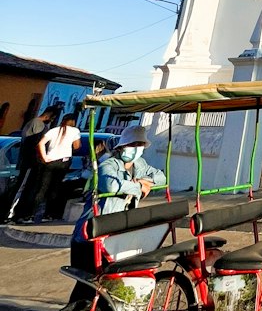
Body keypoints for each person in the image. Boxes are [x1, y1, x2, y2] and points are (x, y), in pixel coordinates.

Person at [70, 126, 166, 272]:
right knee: (88, 282)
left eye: (139, 145)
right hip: (92, 232)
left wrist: (144, 181)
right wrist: (139, 186)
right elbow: (111, 185)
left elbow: (161, 177)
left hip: (117, 234)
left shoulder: (140, 165)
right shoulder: (108, 164)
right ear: (122, 146)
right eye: (131, 145)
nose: (135, 149)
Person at [18, 114, 81, 223]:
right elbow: (76, 146)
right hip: (63, 161)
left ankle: (30, 215)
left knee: (42, 188)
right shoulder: (75, 131)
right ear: (73, 121)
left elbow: (41, 144)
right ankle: (48, 214)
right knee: (55, 188)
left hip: (50, 160)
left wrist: (45, 157)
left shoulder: (54, 130)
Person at [6, 107, 55, 221]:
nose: (51, 121)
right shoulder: (37, 124)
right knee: (22, 188)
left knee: (24, 188)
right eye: (52, 118)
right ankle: (11, 214)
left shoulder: (35, 123)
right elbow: (33, 143)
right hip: (29, 162)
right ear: (48, 116)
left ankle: (15, 213)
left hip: (30, 162)